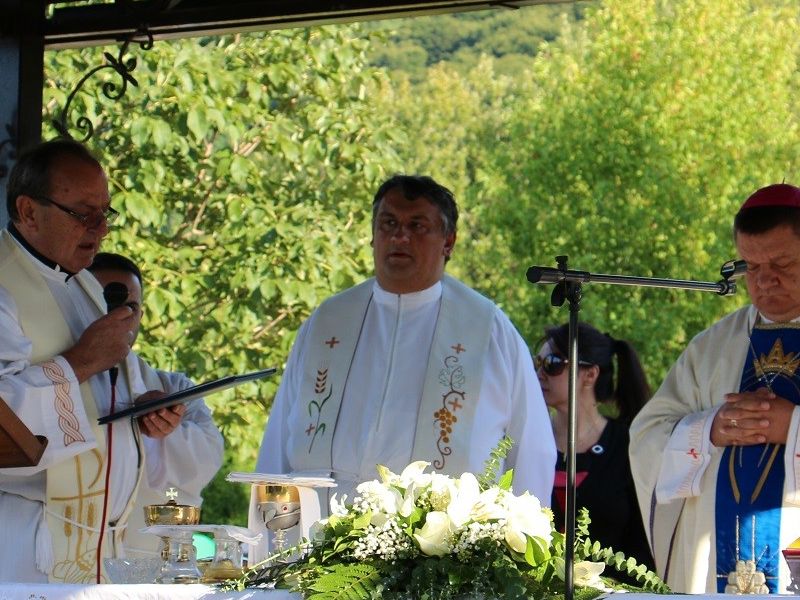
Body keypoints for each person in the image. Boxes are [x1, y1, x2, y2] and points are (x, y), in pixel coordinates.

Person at [249, 174, 555, 560]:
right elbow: (280, 439)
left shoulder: (489, 331)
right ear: (372, 234)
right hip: (316, 550)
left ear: (449, 242)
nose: (400, 237)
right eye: (388, 223)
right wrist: (265, 553)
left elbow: (531, 448)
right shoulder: (328, 322)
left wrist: (523, 557)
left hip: (440, 565)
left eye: (417, 226)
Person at [0, 138, 193, 583]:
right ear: (29, 211)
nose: (101, 229)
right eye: (84, 214)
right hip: (24, 541)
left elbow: (103, 394)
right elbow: (2, 415)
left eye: (106, 213)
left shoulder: (83, 285)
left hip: (99, 540)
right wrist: (80, 363)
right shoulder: (5, 286)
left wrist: (143, 408)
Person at [630, 182, 800, 594]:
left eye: (783, 264)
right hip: (715, 565)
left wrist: (792, 427)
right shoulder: (712, 347)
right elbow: (646, 436)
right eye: (751, 267)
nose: (765, 281)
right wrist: (708, 430)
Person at [88, 252, 223, 558]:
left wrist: (164, 428)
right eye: (108, 302)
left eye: (131, 307)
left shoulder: (175, 389)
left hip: (144, 555)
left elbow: (209, 456)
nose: (121, 315)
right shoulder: (60, 377)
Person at [535, 322, 655, 583]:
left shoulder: (630, 446)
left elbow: (645, 545)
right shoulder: (527, 441)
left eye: (552, 364)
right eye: (538, 363)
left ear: (590, 374)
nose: (539, 373)